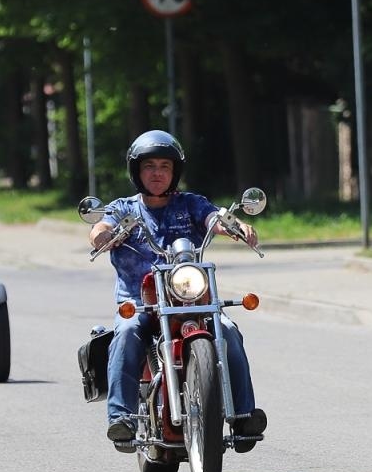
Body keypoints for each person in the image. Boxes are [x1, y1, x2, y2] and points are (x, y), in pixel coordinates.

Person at [87, 130, 267, 452]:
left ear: (175, 172)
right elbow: (102, 226)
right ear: (137, 171)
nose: (157, 173)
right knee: (126, 332)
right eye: (149, 166)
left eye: (165, 166)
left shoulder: (190, 204)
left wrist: (236, 226)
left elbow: (214, 218)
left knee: (228, 330)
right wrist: (102, 234)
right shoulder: (124, 209)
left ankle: (243, 415)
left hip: (190, 298)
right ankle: (121, 417)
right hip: (139, 302)